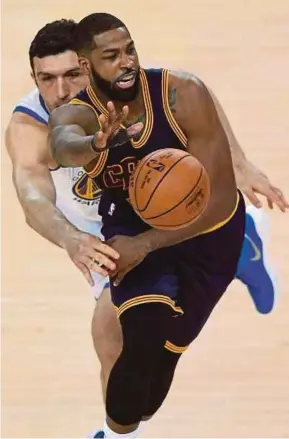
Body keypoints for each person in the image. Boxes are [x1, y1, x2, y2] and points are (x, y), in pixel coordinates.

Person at [49, 13, 288, 438]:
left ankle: (246, 241)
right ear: (86, 66)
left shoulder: (181, 93)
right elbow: (63, 145)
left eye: (130, 50)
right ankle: (115, 434)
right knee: (139, 366)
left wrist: (145, 244)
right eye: (111, 55)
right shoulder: (79, 115)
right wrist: (94, 145)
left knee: (159, 371)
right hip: (133, 224)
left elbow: (216, 202)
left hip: (209, 232)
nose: (126, 62)